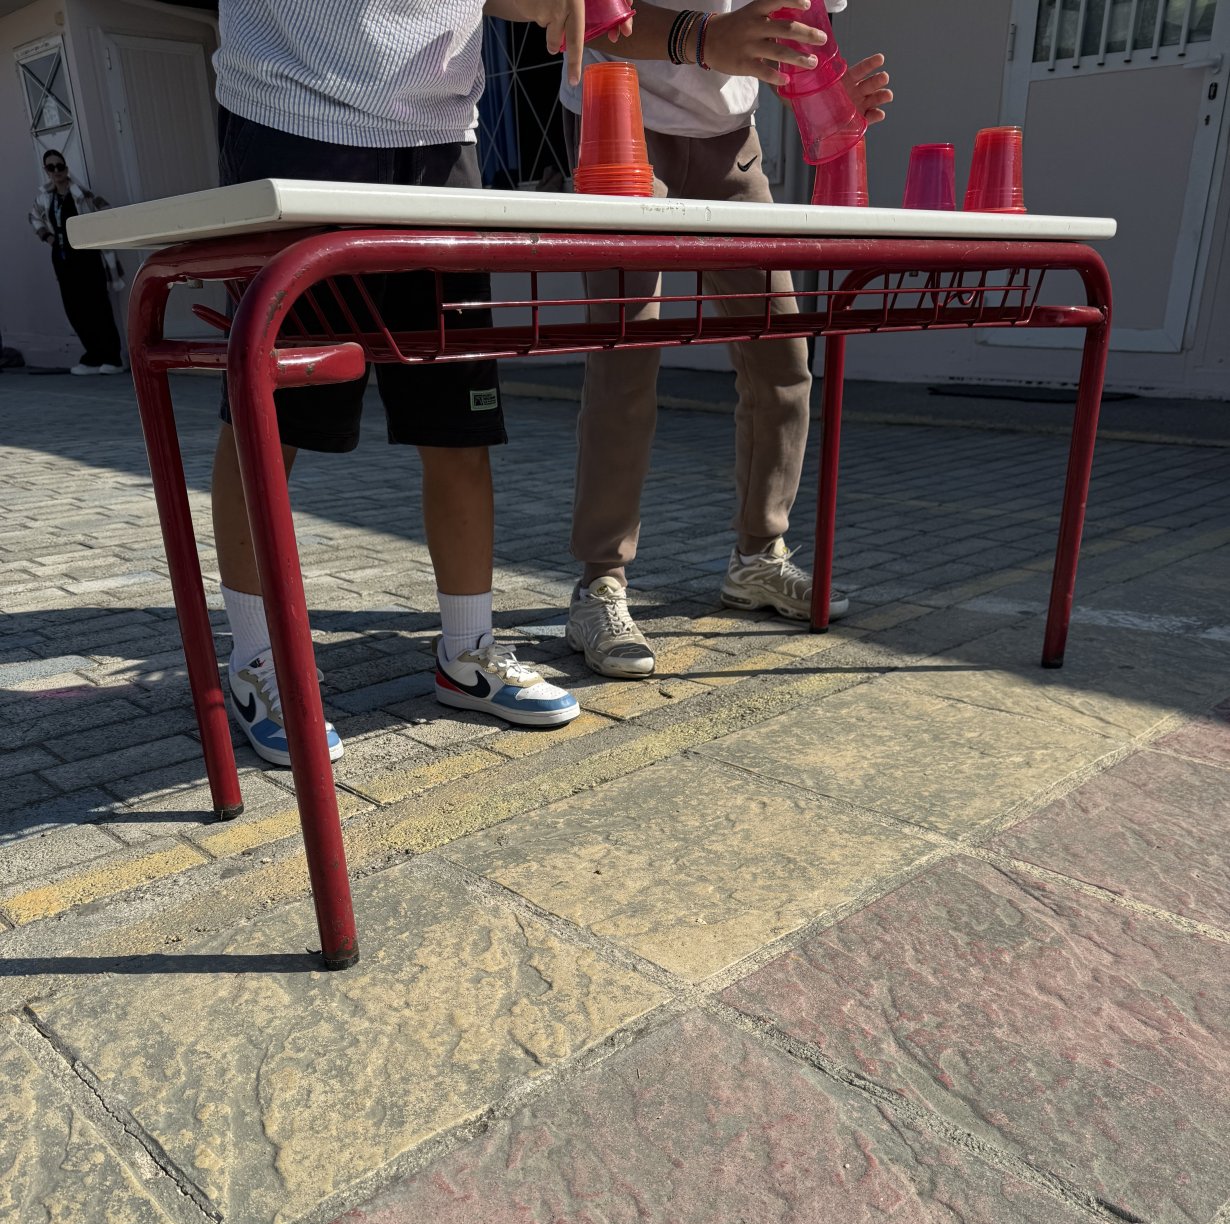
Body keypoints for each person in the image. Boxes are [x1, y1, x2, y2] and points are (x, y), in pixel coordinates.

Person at [210, 0, 609, 766]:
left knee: (459, 419)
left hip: (441, 132)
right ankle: (258, 661)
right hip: (293, 108)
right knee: (270, 420)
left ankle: (467, 652)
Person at [558, 0, 891, 679]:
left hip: (732, 139)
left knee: (782, 356)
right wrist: (705, 38)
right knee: (628, 354)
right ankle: (600, 583)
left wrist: (829, 97)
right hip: (619, 112)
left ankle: (758, 559)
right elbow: (593, 13)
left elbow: (800, 31)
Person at [28, 151, 125, 376]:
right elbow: (33, 217)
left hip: (87, 258)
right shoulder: (46, 198)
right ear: (46, 171)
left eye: (59, 166)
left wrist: (93, 234)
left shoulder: (81, 194)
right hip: (63, 259)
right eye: (51, 167)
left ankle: (112, 357)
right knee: (75, 309)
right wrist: (47, 237)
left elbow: (105, 211)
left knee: (98, 306)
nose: (56, 171)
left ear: (66, 168)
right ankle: (93, 356)